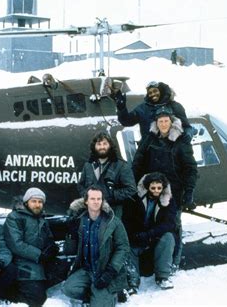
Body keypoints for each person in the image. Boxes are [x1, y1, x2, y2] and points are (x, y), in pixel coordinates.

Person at [132, 106, 198, 271]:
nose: (163, 124)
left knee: (173, 225)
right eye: (160, 121)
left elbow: (191, 168)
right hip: (151, 189)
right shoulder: (149, 139)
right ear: (156, 123)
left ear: (171, 121)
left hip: (173, 191)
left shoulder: (181, 141)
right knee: (148, 220)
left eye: (166, 121)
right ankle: (149, 258)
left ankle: (172, 263)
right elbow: (138, 162)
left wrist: (188, 191)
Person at [63, 186, 129, 307]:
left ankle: (113, 293)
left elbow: (123, 248)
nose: (96, 201)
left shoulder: (113, 221)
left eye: (99, 199)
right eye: (92, 198)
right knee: (68, 288)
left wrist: (110, 272)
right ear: (86, 201)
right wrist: (71, 234)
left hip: (105, 271)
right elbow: (69, 250)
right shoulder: (80, 220)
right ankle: (94, 293)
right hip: (87, 269)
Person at [3, 187, 61, 307]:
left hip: (39, 262)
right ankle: (6, 294)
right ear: (26, 202)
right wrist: (39, 255)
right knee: (37, 299)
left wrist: (52, 248)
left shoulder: (42, 220)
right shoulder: (15, 217)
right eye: (34, 201)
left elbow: (49, 239)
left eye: (40, 202)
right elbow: (16, 244)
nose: (37, 205)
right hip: (22, 263)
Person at [123, 172, 177, 290]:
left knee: (168, 237)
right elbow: (127, 219)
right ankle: (133, 281)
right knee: (126, 246)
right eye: (153, 188)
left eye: (159, 188)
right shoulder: (135, 199)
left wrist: (150, 234)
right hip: (138, 236)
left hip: (155, 236)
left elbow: (169, 224)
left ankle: (163, 277)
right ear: (148, 187)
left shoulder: (168, 201)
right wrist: (134, 235)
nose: (156, 191)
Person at [77, 131, 136, 219]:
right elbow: (80, 185)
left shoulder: (121, 165)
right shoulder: (88, 165)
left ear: (110, 146)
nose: (102, 147)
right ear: (94, 146)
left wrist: (111, 194)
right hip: (91, 211)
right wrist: (88, 196)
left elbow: (131, 189)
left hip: (112, 211)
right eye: (99, 144)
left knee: (108, 233)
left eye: (105, 144)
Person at [115, 80, 193, 142]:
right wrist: (121, 108)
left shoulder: (175, 107)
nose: (153, 94)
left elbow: (187, 127)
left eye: (155, 91)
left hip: (172, 150)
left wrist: (187, 135)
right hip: (149, 151)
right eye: (150, 93)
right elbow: (126, 121)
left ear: (161, 91)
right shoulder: (143, 108)